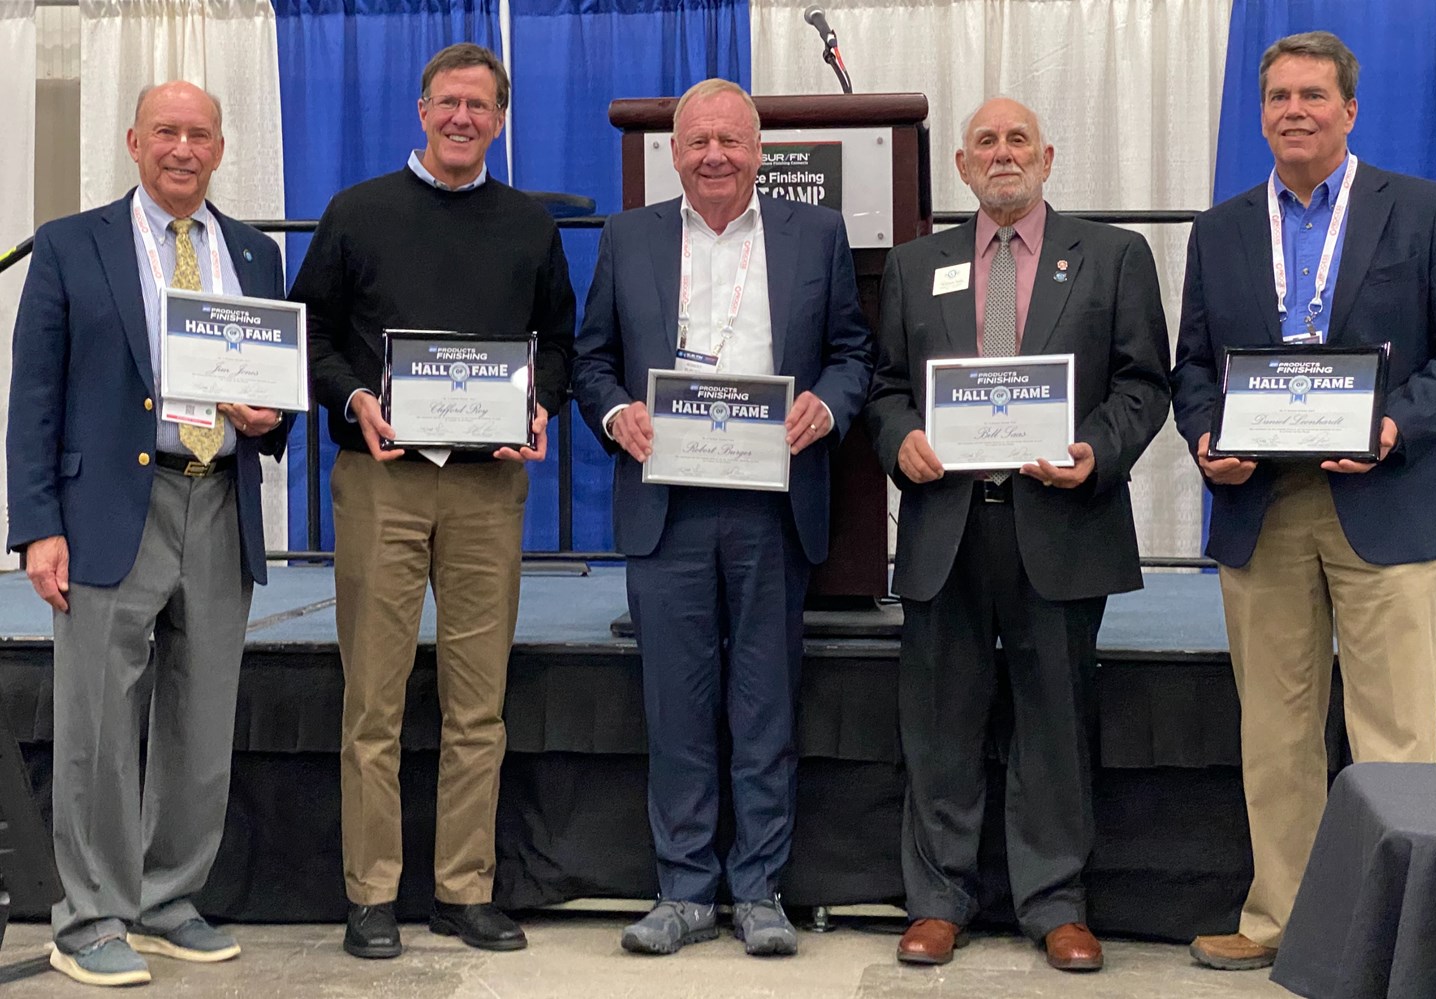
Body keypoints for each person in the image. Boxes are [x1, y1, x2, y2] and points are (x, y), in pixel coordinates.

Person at [1172, 31, 1436, 971]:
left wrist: (1393, 425)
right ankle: (1284, 921)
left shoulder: (1423, 210)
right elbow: (1194, 366)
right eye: (1277, 97)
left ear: (1350, 111)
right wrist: (1206, 439)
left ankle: (1403, 935)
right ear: (1262, 112)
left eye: (1314, 95)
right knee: (1272, 731)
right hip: (1261, 506)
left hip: (1385, 497)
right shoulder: (1222, 228)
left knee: (1394, 729)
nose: (1294, 111)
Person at [866, 97, 1170, 972]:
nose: (1003, 155)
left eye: (1018, 141)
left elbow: (1143, 384)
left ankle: (1055, 903)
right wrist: (901, 441)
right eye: (986, 143)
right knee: (939, 721)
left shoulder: (1113, 256)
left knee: (1056, 722)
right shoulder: (917, 264)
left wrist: (1096, 451)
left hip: (1063, 520)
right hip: (945, 526)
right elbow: (887, 389)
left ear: (1048, 155)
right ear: (961, 165)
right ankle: (937, 900)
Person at [572, 78, 872, 957]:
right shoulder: (629, 237)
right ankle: (683, 889)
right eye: (697, 141)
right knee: (677, 703)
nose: (713, 156)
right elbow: (592, 360)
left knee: (764, 702)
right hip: (667, 504)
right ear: (673, 152)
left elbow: (854, 352)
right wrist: (614, 411)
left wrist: (826, 403)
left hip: (772, 504)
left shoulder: (813, 233)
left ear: (759, 150)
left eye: (730, 142)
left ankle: (760, 888)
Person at [289, 43, 575, 960]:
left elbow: (562, 345)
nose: (462, 119)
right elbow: (311, 336)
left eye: (479, 106)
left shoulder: (530, 224)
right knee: (372, 699)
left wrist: (540, 404)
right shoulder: (357, 212)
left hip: (489, 486)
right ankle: (370, 894)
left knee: (476, 702)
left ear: (499, 119)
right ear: (421, 111)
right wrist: (354, 398)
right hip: (382, 479)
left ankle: (464, 889)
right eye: (448, 102)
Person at [6, 81, 289, 987]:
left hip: (218, 502)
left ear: (219, 147)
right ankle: (89, 916)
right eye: (165, 130)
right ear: (133, 141)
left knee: (203, 722)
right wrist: (36, 526)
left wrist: (266, 418)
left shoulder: (253, 252)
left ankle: (168, 899)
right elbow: (34, 398)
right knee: (95, 719)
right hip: (106, 512)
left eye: (199, 133)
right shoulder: (69, 244)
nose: (182, 147)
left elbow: (275, 402)